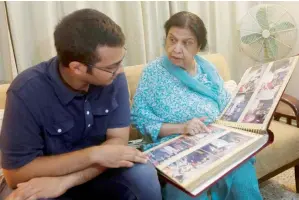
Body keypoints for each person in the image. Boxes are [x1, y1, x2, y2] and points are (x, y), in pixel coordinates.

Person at [1, 9, 162, 200]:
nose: (119, 71)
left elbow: (118, 143)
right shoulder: (26, 92)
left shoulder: (113, 79)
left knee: (143, 174)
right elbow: (15, 174)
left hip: (99, 172)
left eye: (120, 61)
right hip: (46, 181)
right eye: (111, 67)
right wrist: (93, 154)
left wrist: (67, 181)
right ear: (77, 67)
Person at [131, 11, 262, 200]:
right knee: (188, 192)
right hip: (176, 147)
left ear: (198, 46)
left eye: (186, 43)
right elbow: (141, 119)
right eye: (172, 39)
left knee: (242, 174)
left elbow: (226, 107)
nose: (176, 49)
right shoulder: (153, 73)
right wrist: (182, 127)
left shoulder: (207, 69)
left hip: (216, 140)